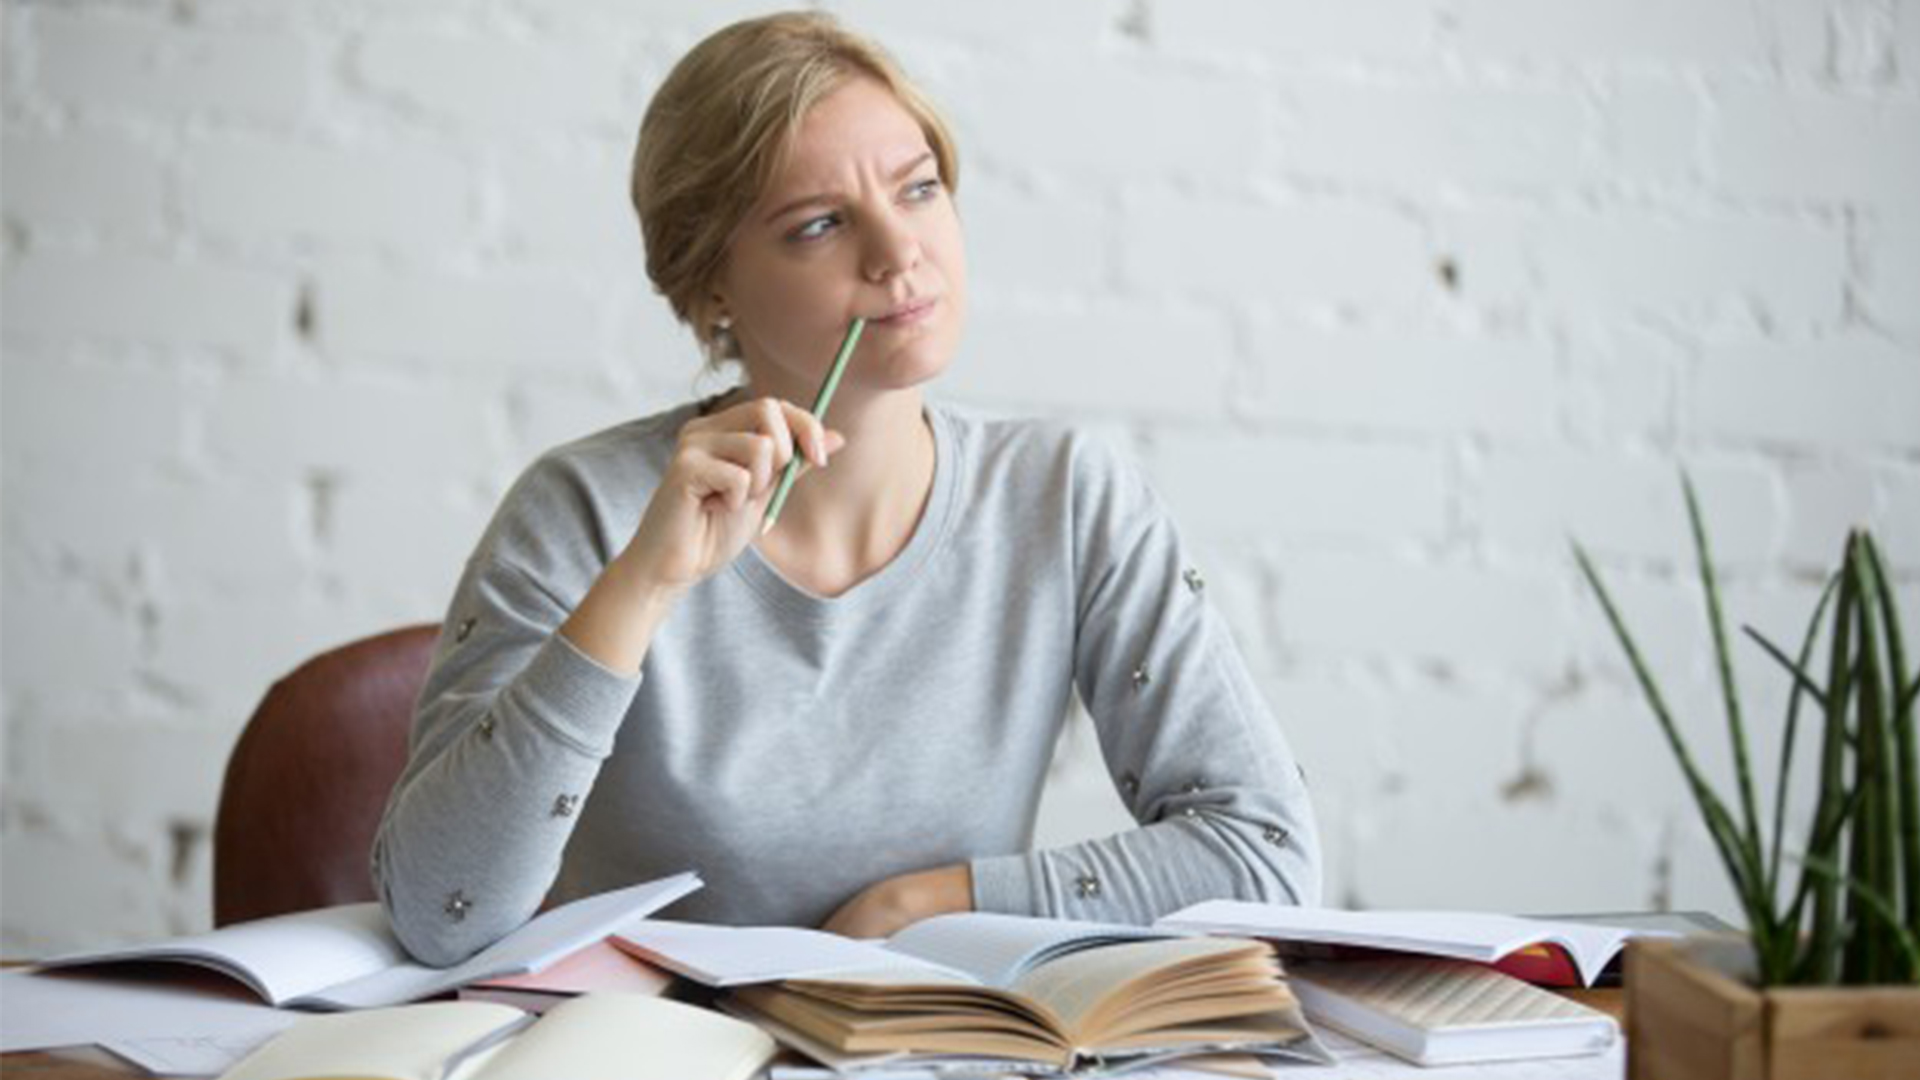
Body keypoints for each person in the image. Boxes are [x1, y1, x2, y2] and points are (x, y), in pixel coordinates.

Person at [372, 10, 1319, 967]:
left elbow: (1267, 855)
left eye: (919, 189)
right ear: (709, 291)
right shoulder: (580, 509)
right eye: (819, 225)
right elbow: (439, 914)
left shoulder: (1068, 494)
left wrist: (930, 904)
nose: (898, 252)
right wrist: (645, 587)